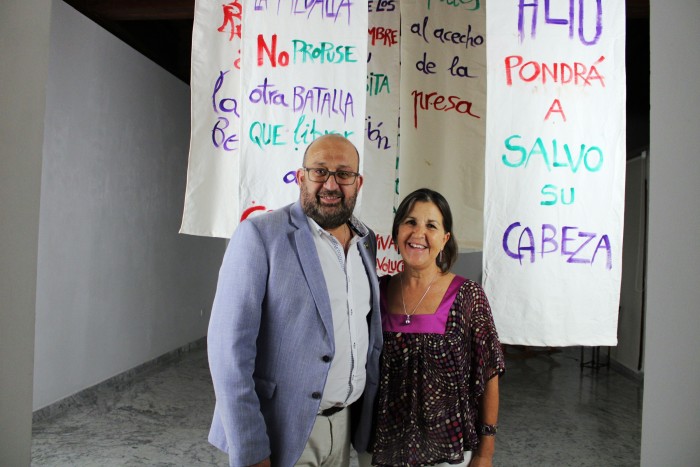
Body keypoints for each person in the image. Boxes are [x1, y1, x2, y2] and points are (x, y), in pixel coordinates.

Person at [207, 134, 383, 467]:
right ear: (301, 177)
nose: (331, 184)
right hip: (281, 429)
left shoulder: (366, 242)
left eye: (344, 174)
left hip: (345, 427)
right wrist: (251, 448)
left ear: (358, 183)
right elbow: (227, 351)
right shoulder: (260, 236)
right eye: (320, 171)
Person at [369, 188, 505, 467]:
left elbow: (489, 373)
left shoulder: (468, 296)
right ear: (397, 233)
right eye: (410, 222)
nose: (418, 234)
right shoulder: (377, 291)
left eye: (431, 225)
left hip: (447, 451)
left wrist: (485, 452)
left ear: (444, 240)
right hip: (382, 449)